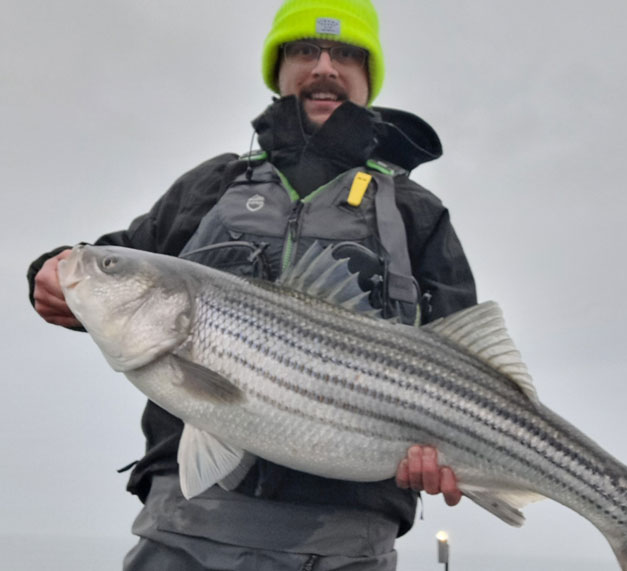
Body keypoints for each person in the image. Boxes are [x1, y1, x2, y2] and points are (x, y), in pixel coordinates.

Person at [28, 0, 476, 569]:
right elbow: (109, 254)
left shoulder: (415, 210)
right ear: (279, 67)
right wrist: (50, 268)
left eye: (346, 54)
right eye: (304, 49)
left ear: (368, 77)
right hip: (185, 527)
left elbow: (466, 355)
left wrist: (456, 445)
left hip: (347, 539)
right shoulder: (214, 183)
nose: (324, 67)